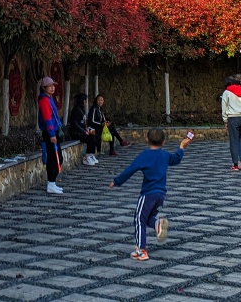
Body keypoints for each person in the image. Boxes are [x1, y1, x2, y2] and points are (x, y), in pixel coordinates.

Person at [109, 127, 193, 261]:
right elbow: (176, 159)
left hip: (148, 194)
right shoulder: (165, 155)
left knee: (138, 219)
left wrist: (117, 181)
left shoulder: (145, 155)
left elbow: (130, 169)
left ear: (146, 140)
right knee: (146, 218)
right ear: (164, 142)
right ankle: (157, 224)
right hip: (161, 195)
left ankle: (141, 250)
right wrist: (182, 146)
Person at [221, 74, 241, 171]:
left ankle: (235, 165)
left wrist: (225, 120)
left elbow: (224, 107)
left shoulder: (226, 92)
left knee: (234, 141)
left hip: (233, 118)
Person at [38, 76, 64, 194]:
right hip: (50, 133)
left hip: (54, 131)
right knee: (54, 158)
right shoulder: (44, 100)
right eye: (50, 86)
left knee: (57, 158)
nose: (52, 88)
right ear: (44, 88)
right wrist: (52, 134)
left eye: (53, 85)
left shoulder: (49, 98)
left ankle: (52, 183)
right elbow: (47, 118)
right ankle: (51, 183)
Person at [67, 92, 99, 165]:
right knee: (90, 139)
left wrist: (86, 128)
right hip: (76, 133)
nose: (86, 102)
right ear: (82, 100)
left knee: (95, 137)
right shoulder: (76, 110)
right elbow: (74, 123)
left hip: (82, 131)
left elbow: (83, 122)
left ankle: (91, 154)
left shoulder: (82, 109)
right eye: (85, 100)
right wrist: (84, 131)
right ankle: (87, 157)